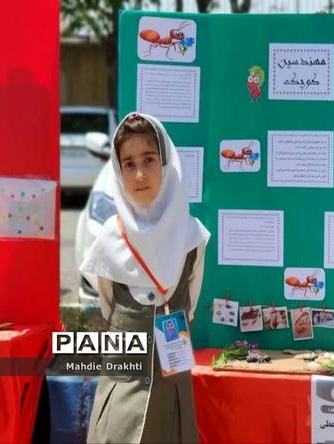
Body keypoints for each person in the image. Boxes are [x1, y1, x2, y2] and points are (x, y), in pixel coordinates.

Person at [81, 112, 210, 443]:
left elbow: (189, 305)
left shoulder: (192, 239)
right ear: (118, 171)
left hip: (171, 400)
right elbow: (109, 306)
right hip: (121, 401)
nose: (139, 174)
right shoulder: (109, 239)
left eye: (149, 160)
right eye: (129, 164)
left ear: (166, 164)